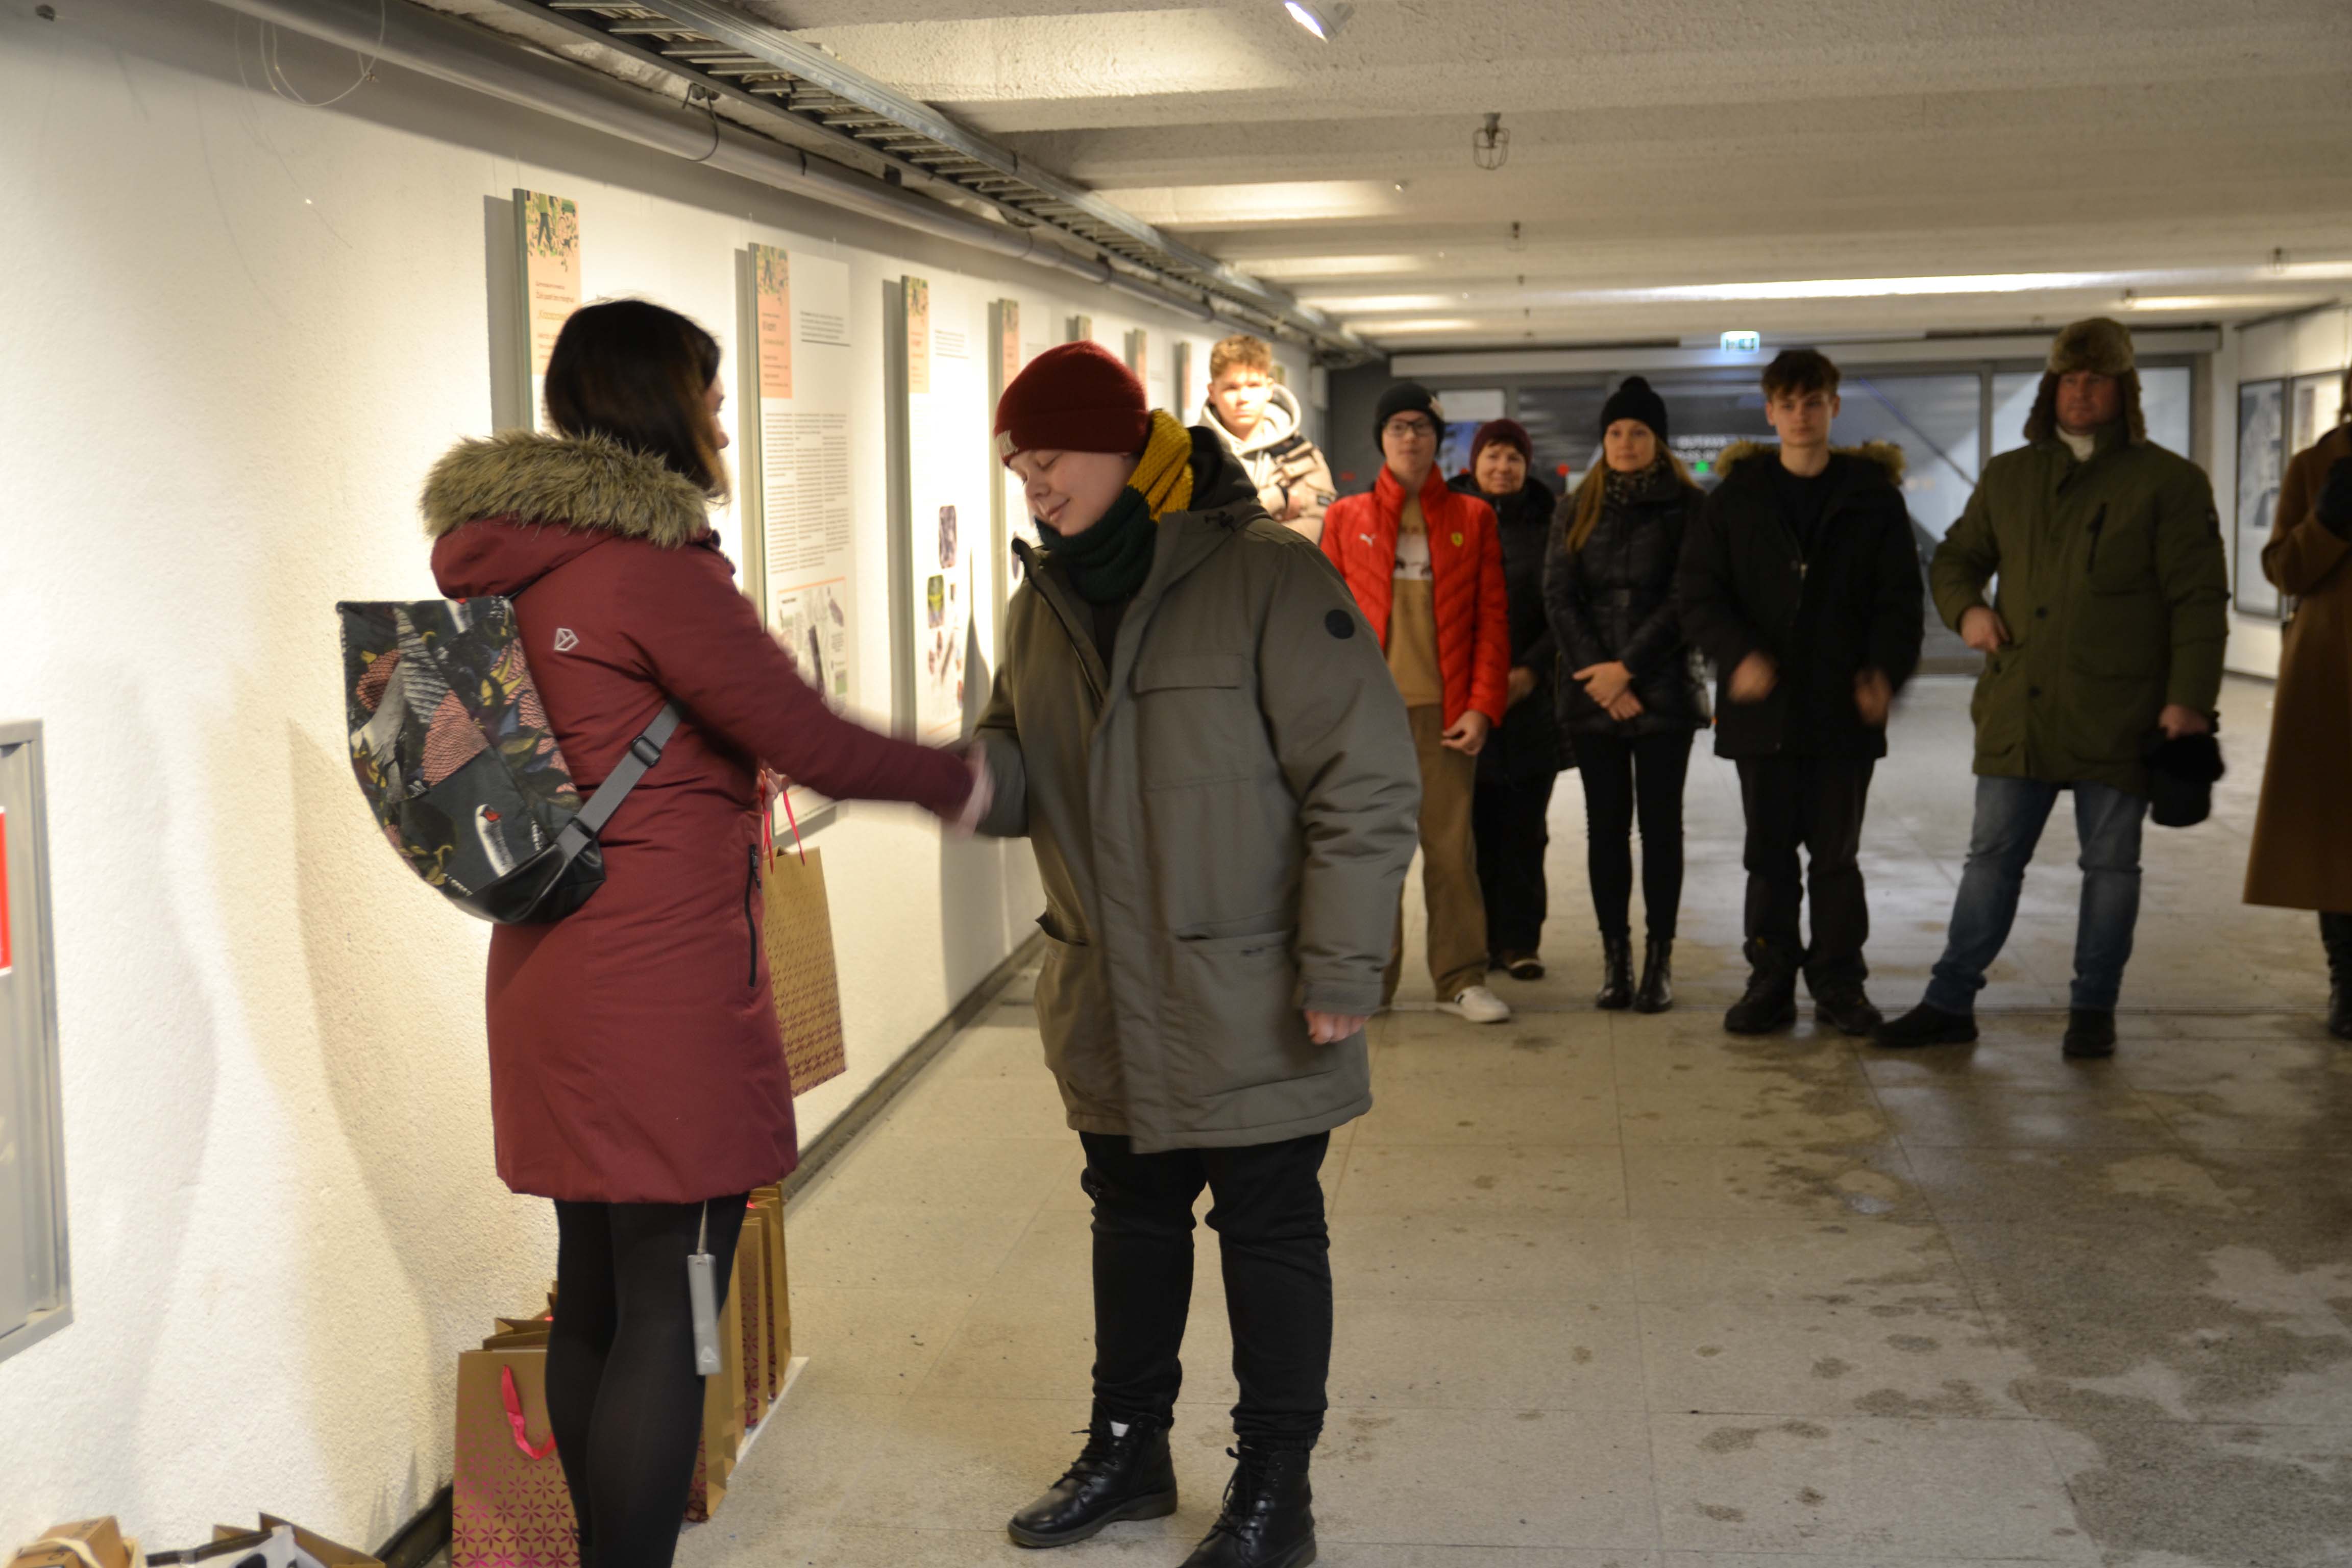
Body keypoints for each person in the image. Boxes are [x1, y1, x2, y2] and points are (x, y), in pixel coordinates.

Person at [425, 299, 984, 1568]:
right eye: (713, 399)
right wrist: (971, 783)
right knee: (678, 1314)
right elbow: (808, 736)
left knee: (596, 1290)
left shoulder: (516, 560)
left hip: (549, 967)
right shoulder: (654, 573)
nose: (724, 426)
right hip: (661, 994)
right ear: (661, 404)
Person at [975, 341, 1419, 1568]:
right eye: (1018, 465)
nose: (1033, 483)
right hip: (1109, 983)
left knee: (1269, 1225)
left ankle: (1276, 1490)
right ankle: (1128, 1447)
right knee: (1131, 1215)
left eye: (1050, 457)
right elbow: (1012, 745)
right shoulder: (1041, 598)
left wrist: (1345, 961)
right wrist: (953, 776)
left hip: (1251, 984)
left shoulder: (1264, 574)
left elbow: (1365, 776)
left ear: (1124, 450)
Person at [1880, 317, 2229, 1059]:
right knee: (1991, 859)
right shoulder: (2011, 476)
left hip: (2122, 710)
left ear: (2124, 390)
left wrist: (2189, 701)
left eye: (2097, 379)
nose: (2081, 392)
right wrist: (1968, 610)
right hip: (2022, 707)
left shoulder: (2168, 483)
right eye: (2070, 379)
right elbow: (1956, 559)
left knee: (2111, 866)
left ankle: (2093, 1009)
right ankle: (1949, 1001)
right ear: (2052, 388)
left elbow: (2199, 600)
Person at [1677, 349, 1925, 1037]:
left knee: (1836, 858)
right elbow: (1698, 595)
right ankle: (1771, 978)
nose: (1800, 415)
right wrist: (1739, 656)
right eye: (1787, 404)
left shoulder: (1873, 498)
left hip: (1843, 709)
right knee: (1769, 855)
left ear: (1834, 407)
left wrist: (1884, 671)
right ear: (1769, 412)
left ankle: (1840, 983)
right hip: (1764, 713)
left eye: (1812, 402)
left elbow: (1901, 601)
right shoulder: (1736, 499)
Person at [1321, 381, 1516, 1024]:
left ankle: (1461, 978)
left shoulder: (1473, 518)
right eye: (1397, 427)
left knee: (1452, 853)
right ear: (1381, 438)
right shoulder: (1346, 519)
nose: (1410, 438)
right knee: (1370, 852)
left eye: (1422, 427)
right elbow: (1322, 626)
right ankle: (1369, 982)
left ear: (1438, 438)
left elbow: (1492, 620)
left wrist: (1482, 706)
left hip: (1446, 714)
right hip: (1368, 717)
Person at [1544, 377, 1708, 1013]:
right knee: (1606, 829)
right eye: (1615, 432)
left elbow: (1687, 596)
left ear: (1657, 441)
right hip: (1594, 692)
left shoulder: (1689, 507)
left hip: (1663, 687)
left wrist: (1629, 670)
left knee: (1662, 829)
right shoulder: (1576, 506)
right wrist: (1601, 674)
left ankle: (1659, 961)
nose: (1626, 442)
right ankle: (1616, 960)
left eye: (1638, 432)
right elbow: (1559, 596)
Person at [2243, 366, 2352, 1041]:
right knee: (2337, 835)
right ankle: (2348, 980)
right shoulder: (2317, 466)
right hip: (2335, 674)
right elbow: (2284, 570)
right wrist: (2328, 521)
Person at [1448, 418, 1564, 981]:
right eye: (1492, 456)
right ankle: (1476, 941)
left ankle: (1519, 942)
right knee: (1470, 831)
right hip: (1463, 697)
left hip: (1529, 698)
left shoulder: (1551, 523)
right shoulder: (1447, 517)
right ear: (1474, 463)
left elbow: (1564, 605)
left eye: (1513, 458)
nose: (1503, 467)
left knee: (1525, 828)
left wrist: (1532, 670)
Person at [1196, 332, 1337, 543]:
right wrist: (1277, 499)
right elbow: (1191, 532)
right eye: (1231, 388)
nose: (1243, 398)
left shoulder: (1303, 456)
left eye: (1253, 385)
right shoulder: (1192, 457)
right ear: (1212, 392)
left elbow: (1318, 529)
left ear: (1269, 389)